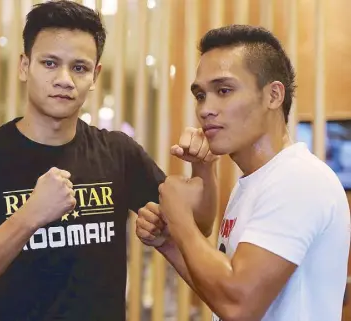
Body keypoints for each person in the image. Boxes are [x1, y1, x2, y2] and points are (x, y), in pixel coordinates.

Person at [0, 1, 219, 321]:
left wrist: (203, 168)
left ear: (95, 75)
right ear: (24, 66)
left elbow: (197, 227)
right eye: (50, 63)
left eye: (79, 67)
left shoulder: (118, 152)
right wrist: (29, 217)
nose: (64, 79)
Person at [136, 25, 351, 321]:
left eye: (224, 90)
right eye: (200, 95)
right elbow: (223, 289)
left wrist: (180, 218)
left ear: (273, 96)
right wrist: (170, 243)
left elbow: (239, 306)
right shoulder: (254, 183)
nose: (205, 109)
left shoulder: (298, 180)